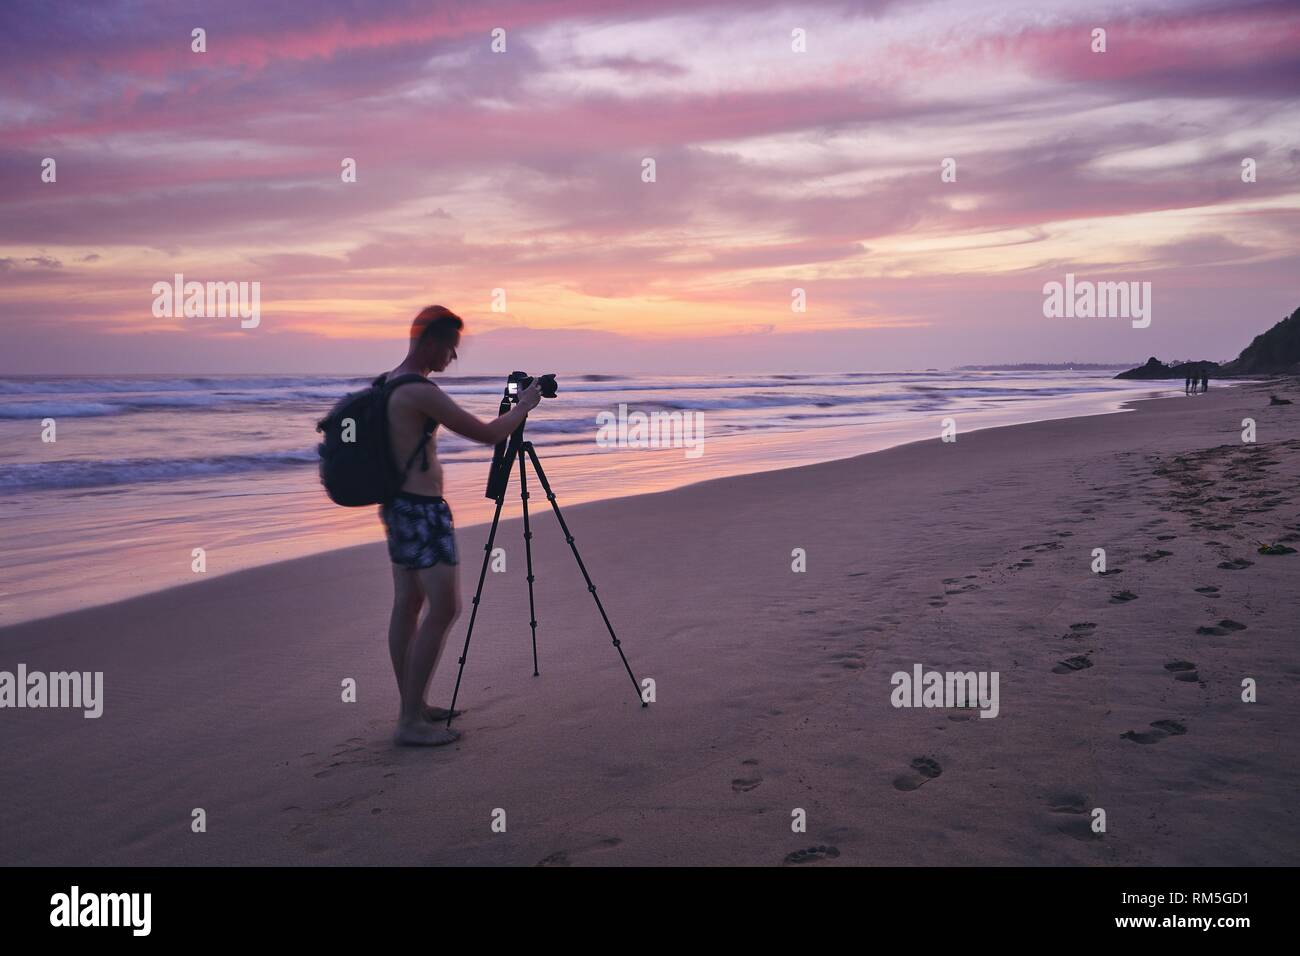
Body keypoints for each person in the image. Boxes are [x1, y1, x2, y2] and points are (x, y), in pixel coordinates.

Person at [381, 305, 541, 746]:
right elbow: (488, 434)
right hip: (423, 511)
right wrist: (524, 405)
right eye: (451, 348)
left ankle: (413, 706)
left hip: (397, 508)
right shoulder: (419, 390)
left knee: (407, 604)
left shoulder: (388, 382)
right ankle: (409, 722)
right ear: (431, 342)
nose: (452, 358)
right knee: (445, 608)